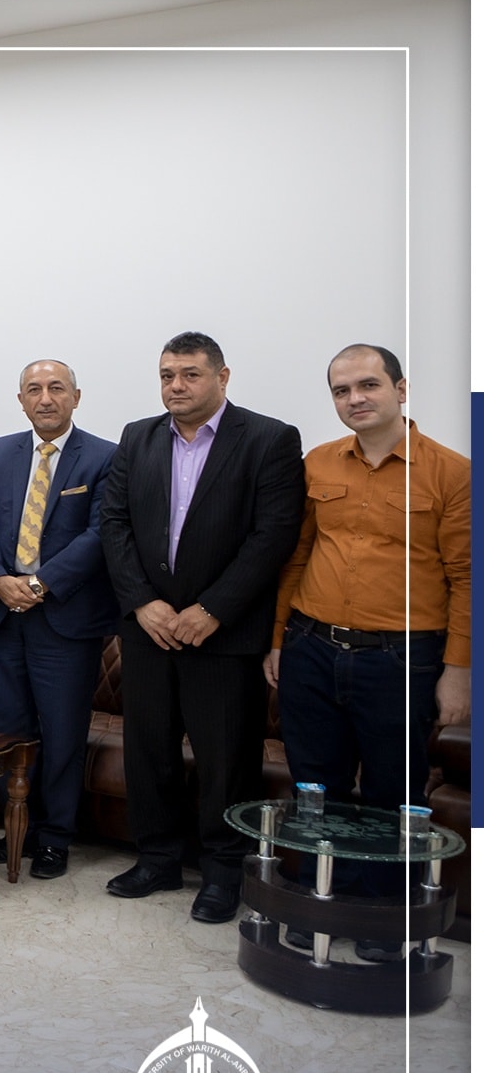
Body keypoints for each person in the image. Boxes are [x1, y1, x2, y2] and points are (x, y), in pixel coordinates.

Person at [267, 344, 470, 951]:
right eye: (341, 390)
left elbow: (467, 578)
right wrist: (278, 641)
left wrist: (458, 670)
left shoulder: (453, 472)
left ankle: (381, 917)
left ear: (400, 390)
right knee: (314, 788)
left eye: (368, 385)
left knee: (392, 792)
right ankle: (318, 902)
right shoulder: (318, 463)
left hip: (401, 658)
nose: (355, 399)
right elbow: (297, 557)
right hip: (311, 647)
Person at [98, 331, 304, 923]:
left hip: (224, 635)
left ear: (222, 377)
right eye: (167, 375)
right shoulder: (137, 436)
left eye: (190, 374)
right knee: (149, 753)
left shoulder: (268, 439)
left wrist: (213, 609)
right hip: (149, 631)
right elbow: (114, 523)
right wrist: (142, 603)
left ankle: (222, 873)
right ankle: (157, 859)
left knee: (225, 762)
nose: (176, 386)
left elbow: (273, 536)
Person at [0, 359, 119, 879]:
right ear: (21, 400)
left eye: (56, 388)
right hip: (4, 616)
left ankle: (54, 838)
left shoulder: (104, 456)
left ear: (76, 396)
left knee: (62, 734)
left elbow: (99, 533)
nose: (45, 398)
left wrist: (39, 583)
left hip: (65, 620)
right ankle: (17, 829)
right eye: (34, 389)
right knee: (8, 731)